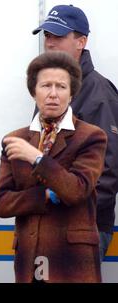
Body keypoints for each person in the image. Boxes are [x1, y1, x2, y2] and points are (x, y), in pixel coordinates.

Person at [0, 51, 107, 282]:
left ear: (72, 93)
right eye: (46, 85)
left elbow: (77, 190)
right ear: (34, 92)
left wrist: (37, 158)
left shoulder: (91, 136)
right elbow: (1, 203)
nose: (53, 94)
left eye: (61, 86)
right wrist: (42, 196)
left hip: (72, 261)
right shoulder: (15, 139)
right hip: (29, 261)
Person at [33, 4, 118, 261]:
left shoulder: (98, 94)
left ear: (81, 41)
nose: (49, 43)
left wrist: (67, 209)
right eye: (47, 36)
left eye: (58, 36)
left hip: (80, 226)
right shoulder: (54, 89)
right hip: (48, 222)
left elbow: (107, 171)